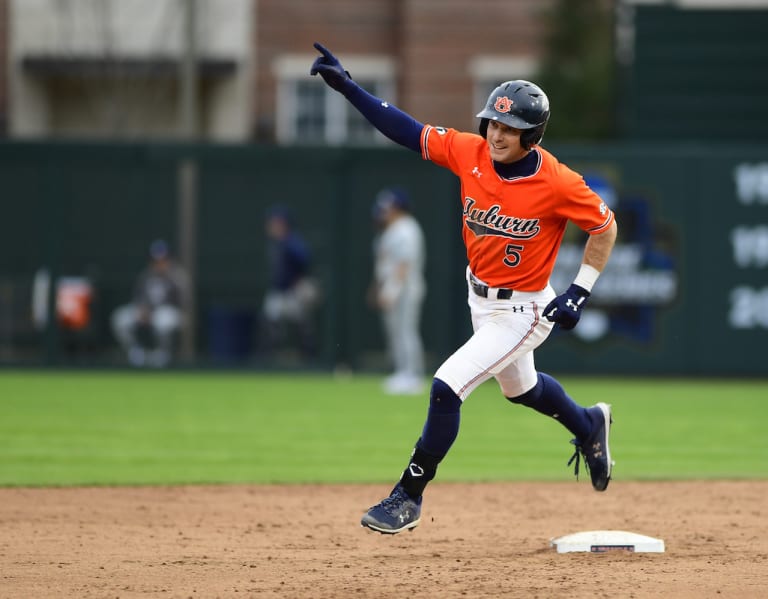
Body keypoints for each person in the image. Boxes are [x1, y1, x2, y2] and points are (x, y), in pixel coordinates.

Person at [311, 42, 619, 534]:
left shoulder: (558, 182)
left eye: (510, 127)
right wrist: (349, 88)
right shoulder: (469, 151)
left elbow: (605, 227)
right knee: (522, 390)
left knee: (445, 387)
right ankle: (588, 425)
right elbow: (406, 129)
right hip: (480, 297)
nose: (497, 133)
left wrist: (579, 290)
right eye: (493, 123)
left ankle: (407, 497)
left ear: (531, 135)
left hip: (523, 310)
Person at [370, 187, 426, 395]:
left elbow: (405, 263)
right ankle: (402, 371)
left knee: (406, 331)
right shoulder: (390, 230)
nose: (384, 212)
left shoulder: (407, 228)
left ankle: (413, 375)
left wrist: (391, 290)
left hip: (405, 289)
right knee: (395, 332)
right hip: (391, 286)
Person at [111, 239, 188, 368]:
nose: (159, 263)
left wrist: (154, 310)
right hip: (146, 312)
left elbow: (182, 302)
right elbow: (138, 297)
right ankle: (136, 352)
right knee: (120, 318)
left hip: (170, 313)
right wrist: (143, 310)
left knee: (162, 319)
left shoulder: (177, 276)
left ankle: (162, 354)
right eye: (156, 260)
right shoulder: (146, 275)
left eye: (163, 259)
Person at [261, 205, 319, 358]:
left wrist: (298, 279)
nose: (272, 225)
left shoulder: (293, 242)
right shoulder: (275, 243)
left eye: (276, 222)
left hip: (293, 291)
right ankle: (269, 358)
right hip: (278, 291)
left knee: (303, 326)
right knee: (270, 322)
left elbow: (306, 260)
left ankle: (308, 358)